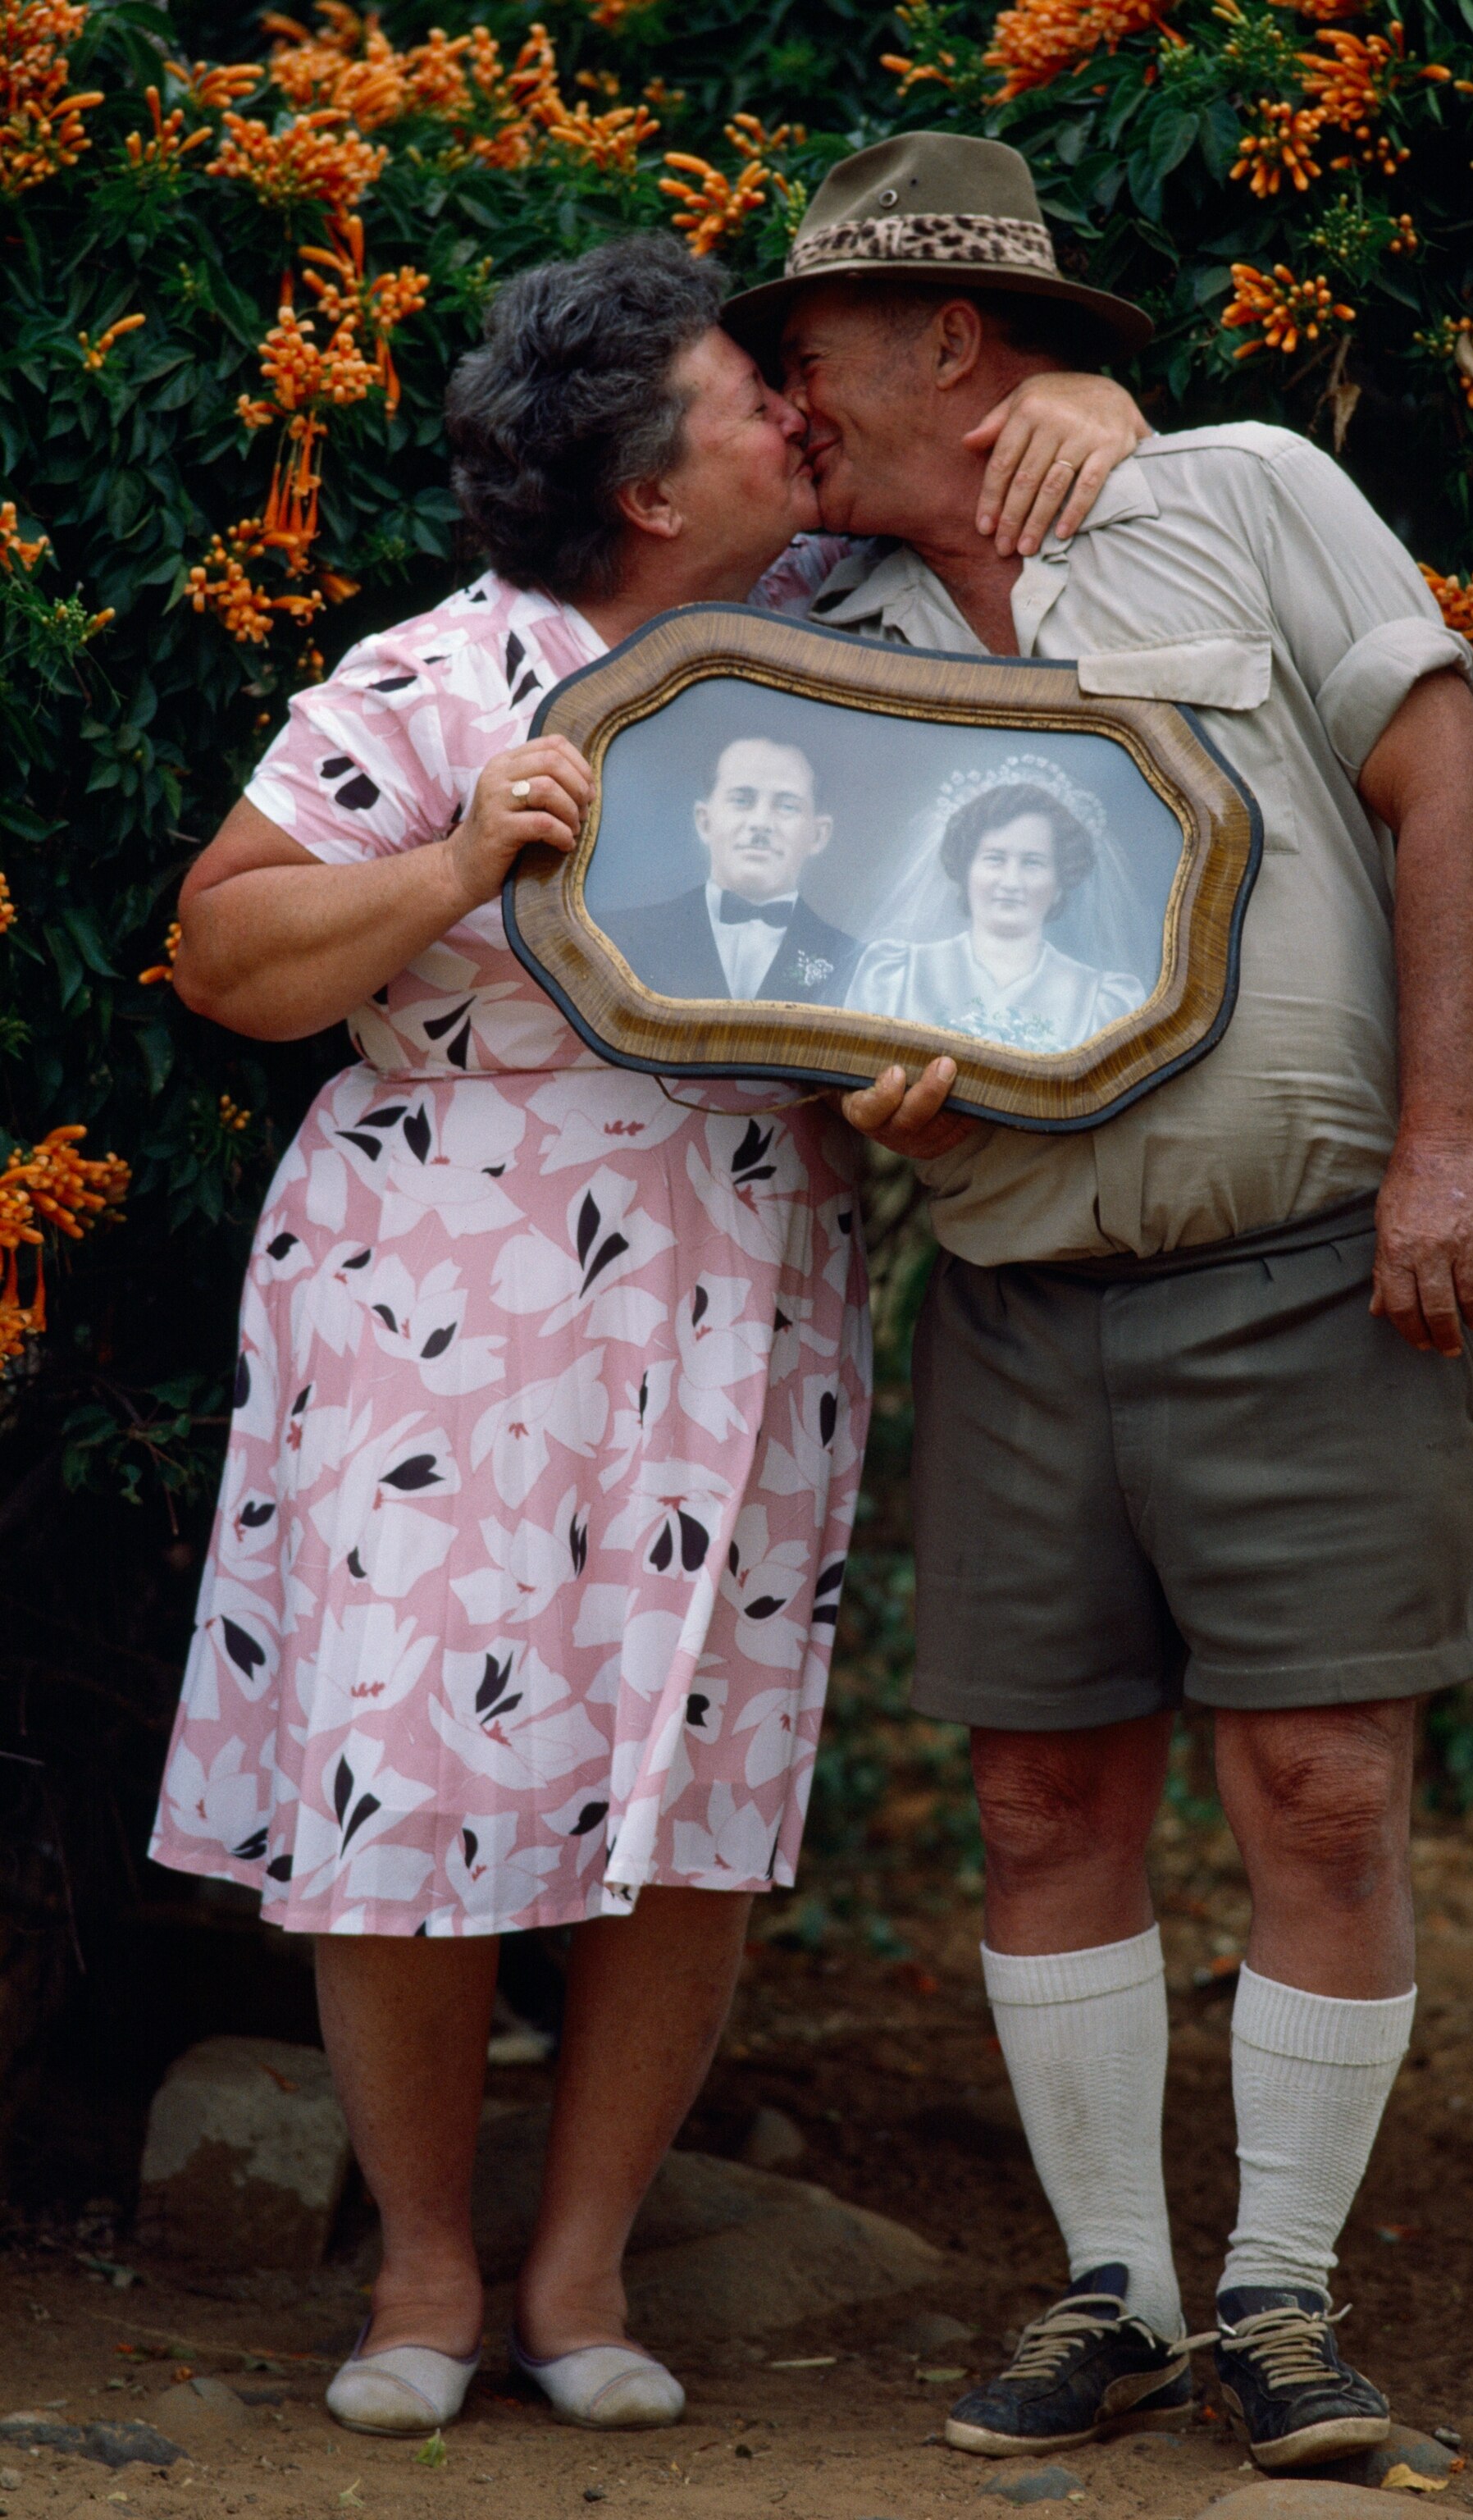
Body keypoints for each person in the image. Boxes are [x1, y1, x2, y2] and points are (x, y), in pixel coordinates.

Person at [149, 226, 1151, 2445]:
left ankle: (586, 2269)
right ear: (641, 485)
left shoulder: (834, 660)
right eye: (743, 396)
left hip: (739, 1285)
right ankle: (421, 2275)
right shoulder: (430, 682)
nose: (793, 413)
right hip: (440, 1291)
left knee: (688, 1783)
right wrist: (453, 870)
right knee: (402, 1772)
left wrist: (924, 1070)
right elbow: (226, 956)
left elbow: (989, 893)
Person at [723, 131, 1473, 2471]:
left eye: (811, 357)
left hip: (1310, 1260)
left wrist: (1449, 1147)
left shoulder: (1245, 489)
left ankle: (1285, 2304)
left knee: (1325, 1789)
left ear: (949, 341)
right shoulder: (822, 623)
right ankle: (1119, 2300)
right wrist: (884, 1106)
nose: (787, 405)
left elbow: (1446, 793)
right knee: (1041, 1794)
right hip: (1017, 1291)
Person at [846, 761, 1146, 1051]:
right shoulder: (897, 975)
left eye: (1032, 862)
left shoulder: (1101, 1000)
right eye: (995, 859)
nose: (1011, 881)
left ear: (1059, 884)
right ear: (966, 871)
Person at [601, 730, 858, 1003]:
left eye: (787, 806)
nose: (761, 822)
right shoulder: (618, 938)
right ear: (705, 821)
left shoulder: (853, 962)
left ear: (819, 835)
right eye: (741, 800)